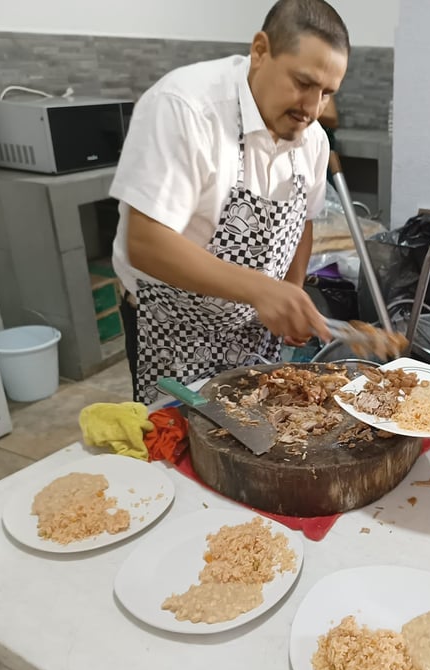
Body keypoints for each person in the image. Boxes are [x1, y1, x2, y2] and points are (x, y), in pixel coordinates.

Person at [109, 0, 348, 404]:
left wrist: (291, 291)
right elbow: (146, 242)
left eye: (326, 93)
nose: (312, 108)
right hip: (174, 330)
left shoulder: (313, 140)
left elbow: (303, 220)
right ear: (260, 51)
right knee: (181, 437)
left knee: (262, 431)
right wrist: (262, 290)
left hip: (254, 331)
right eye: (302, 83)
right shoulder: (184, 107)